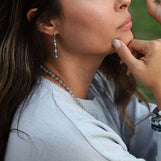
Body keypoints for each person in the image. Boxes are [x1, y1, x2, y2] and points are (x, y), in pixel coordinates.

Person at [0, 0, 161, 160]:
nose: (124, 1)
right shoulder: (72, 138)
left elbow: (149, 140)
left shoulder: (98, 85)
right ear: (47, 21)